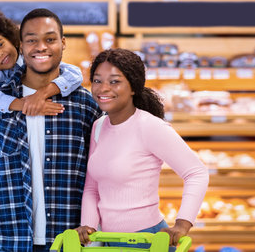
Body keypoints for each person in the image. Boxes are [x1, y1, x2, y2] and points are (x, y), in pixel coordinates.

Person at [0, 8, 101, 252]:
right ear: (21, 45)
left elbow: (102, 166)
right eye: (31, 40)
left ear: (63, 43)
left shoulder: (84, 103)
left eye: (50, 39)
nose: (41, 47)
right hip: (10, 240)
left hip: (69, 240)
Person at [75, 48, 209, 250]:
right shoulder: (99, 126)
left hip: (147, 242)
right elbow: (92, 187)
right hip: (109, 241)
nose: (103, 88)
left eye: (114, 81)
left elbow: (197, 173)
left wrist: (182, 225)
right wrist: (88, 228)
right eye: (97, 80)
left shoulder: (150, 126)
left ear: (133, 87)